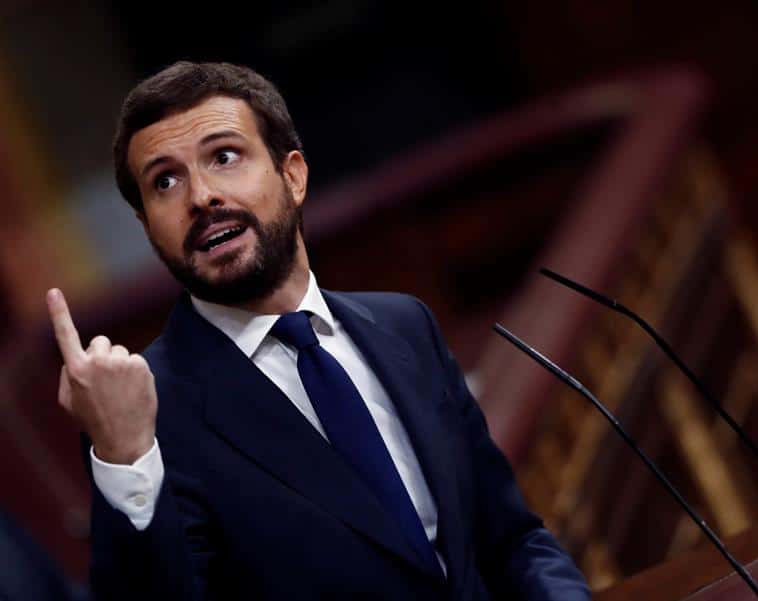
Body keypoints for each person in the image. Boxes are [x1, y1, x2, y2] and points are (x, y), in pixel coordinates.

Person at [46, 61, 590, 600]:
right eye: (165, 181)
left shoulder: (405, 326)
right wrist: (126, 457)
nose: (201, 197)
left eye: (224, 156)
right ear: (147, 227)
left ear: (293, 175)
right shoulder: (148, 413)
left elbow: (512, 540)